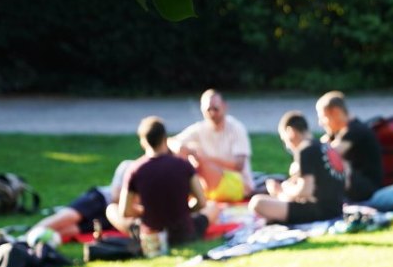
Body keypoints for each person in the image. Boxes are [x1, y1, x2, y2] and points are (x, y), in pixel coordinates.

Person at [106, 116, 207, 246]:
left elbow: (125, 211)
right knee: (213, 207)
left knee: (111, 209)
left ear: (143, 142)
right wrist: (184, 211)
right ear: (165, 139)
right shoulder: (184, 165)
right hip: (184, 231)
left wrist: (144, 212)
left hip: (151, 235)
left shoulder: (135, 169)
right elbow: (201, 202)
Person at [248, 111, 346, 225]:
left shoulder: (304, 149)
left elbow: (305, 191)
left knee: (257, 203)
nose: (287, 146)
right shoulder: (325, 147)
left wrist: (281, 192)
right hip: (336, 208)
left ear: (290, 132)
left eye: (285, 140)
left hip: (319, 211)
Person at [170, 89, 254, 202]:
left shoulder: (236, 128)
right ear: (202, 109)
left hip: (239, 185)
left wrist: (205, 159)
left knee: (197, 158)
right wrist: (183, 148)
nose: (212, 113)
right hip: (212, 185)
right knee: (183, 152)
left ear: (224, 106)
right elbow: (171, 142)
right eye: (208, 110)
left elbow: (239, 165)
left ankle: (188, 198)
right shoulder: (200, 128)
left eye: (216, 109)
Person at [26, 159, 134, 242]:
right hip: (101, 199)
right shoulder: (129, 166)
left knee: (73, 229)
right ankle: (25, 238)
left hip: (113, 216)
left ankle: (39, 242)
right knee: (67, 218)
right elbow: (115, 196)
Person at [316, 90, 383, 203]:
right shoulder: (340, 132)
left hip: (367, 188)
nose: (321, 123)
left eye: (323, 117)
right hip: (357, 184)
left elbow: (328, 155)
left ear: (336, 112)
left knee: (335, 164)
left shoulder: (355, 130)